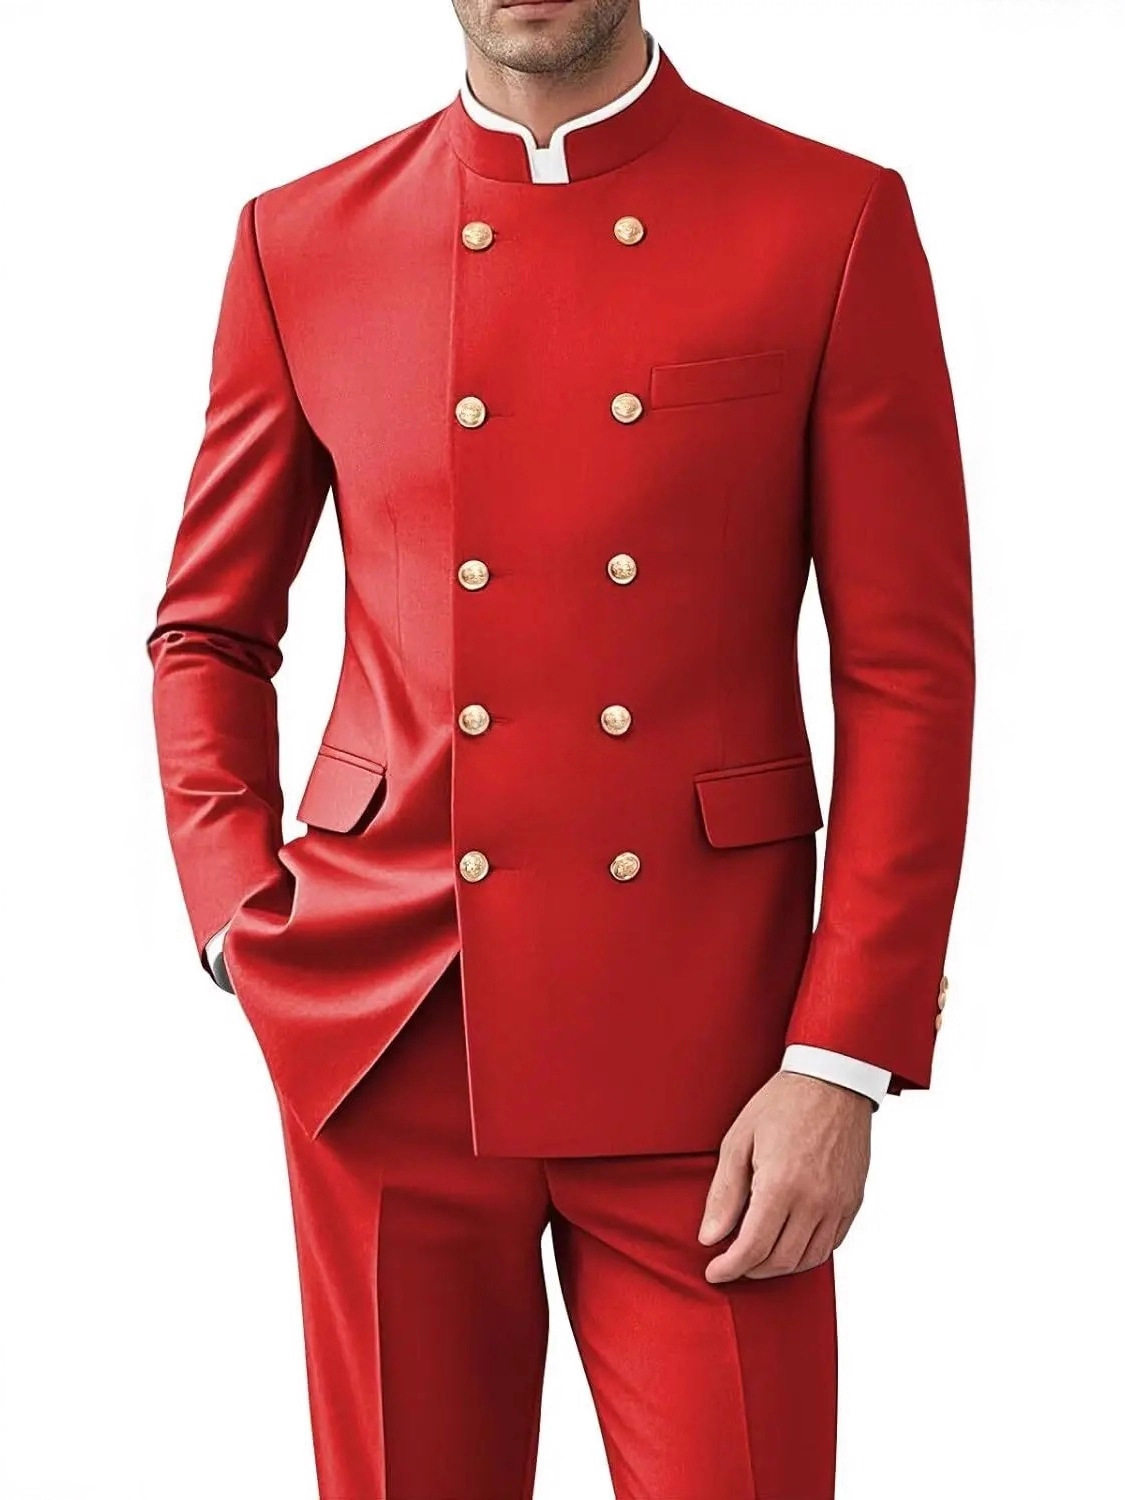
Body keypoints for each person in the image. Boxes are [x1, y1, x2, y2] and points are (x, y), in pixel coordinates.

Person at [148, 2, 974, 1495]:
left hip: (720, 1051)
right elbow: (207, 630)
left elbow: (906, 674)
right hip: (388, 1025)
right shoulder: (300, 238)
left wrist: (843, 1057)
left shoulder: (830, 219)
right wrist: (234, 916)